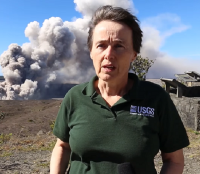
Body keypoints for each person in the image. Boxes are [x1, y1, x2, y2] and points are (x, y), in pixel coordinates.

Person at [50, 5, 189, 174]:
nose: (109, 54)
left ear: (134, 54)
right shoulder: (75, 97)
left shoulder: (156, 98)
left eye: (119, 46)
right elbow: (62, 146)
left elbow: (174, 160)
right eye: (101, 45)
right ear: (91, 52)